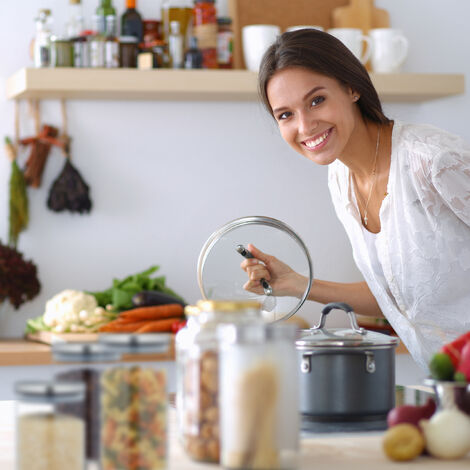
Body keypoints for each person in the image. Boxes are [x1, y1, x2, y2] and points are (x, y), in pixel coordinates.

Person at [240, 28, 470, 371]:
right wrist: (296, 284)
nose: (305, 126)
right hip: (451, 389)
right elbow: (397, 297)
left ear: (352, 88)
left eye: (316, 100)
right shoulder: (341, 178)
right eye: (285, 114)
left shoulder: (433, 161)